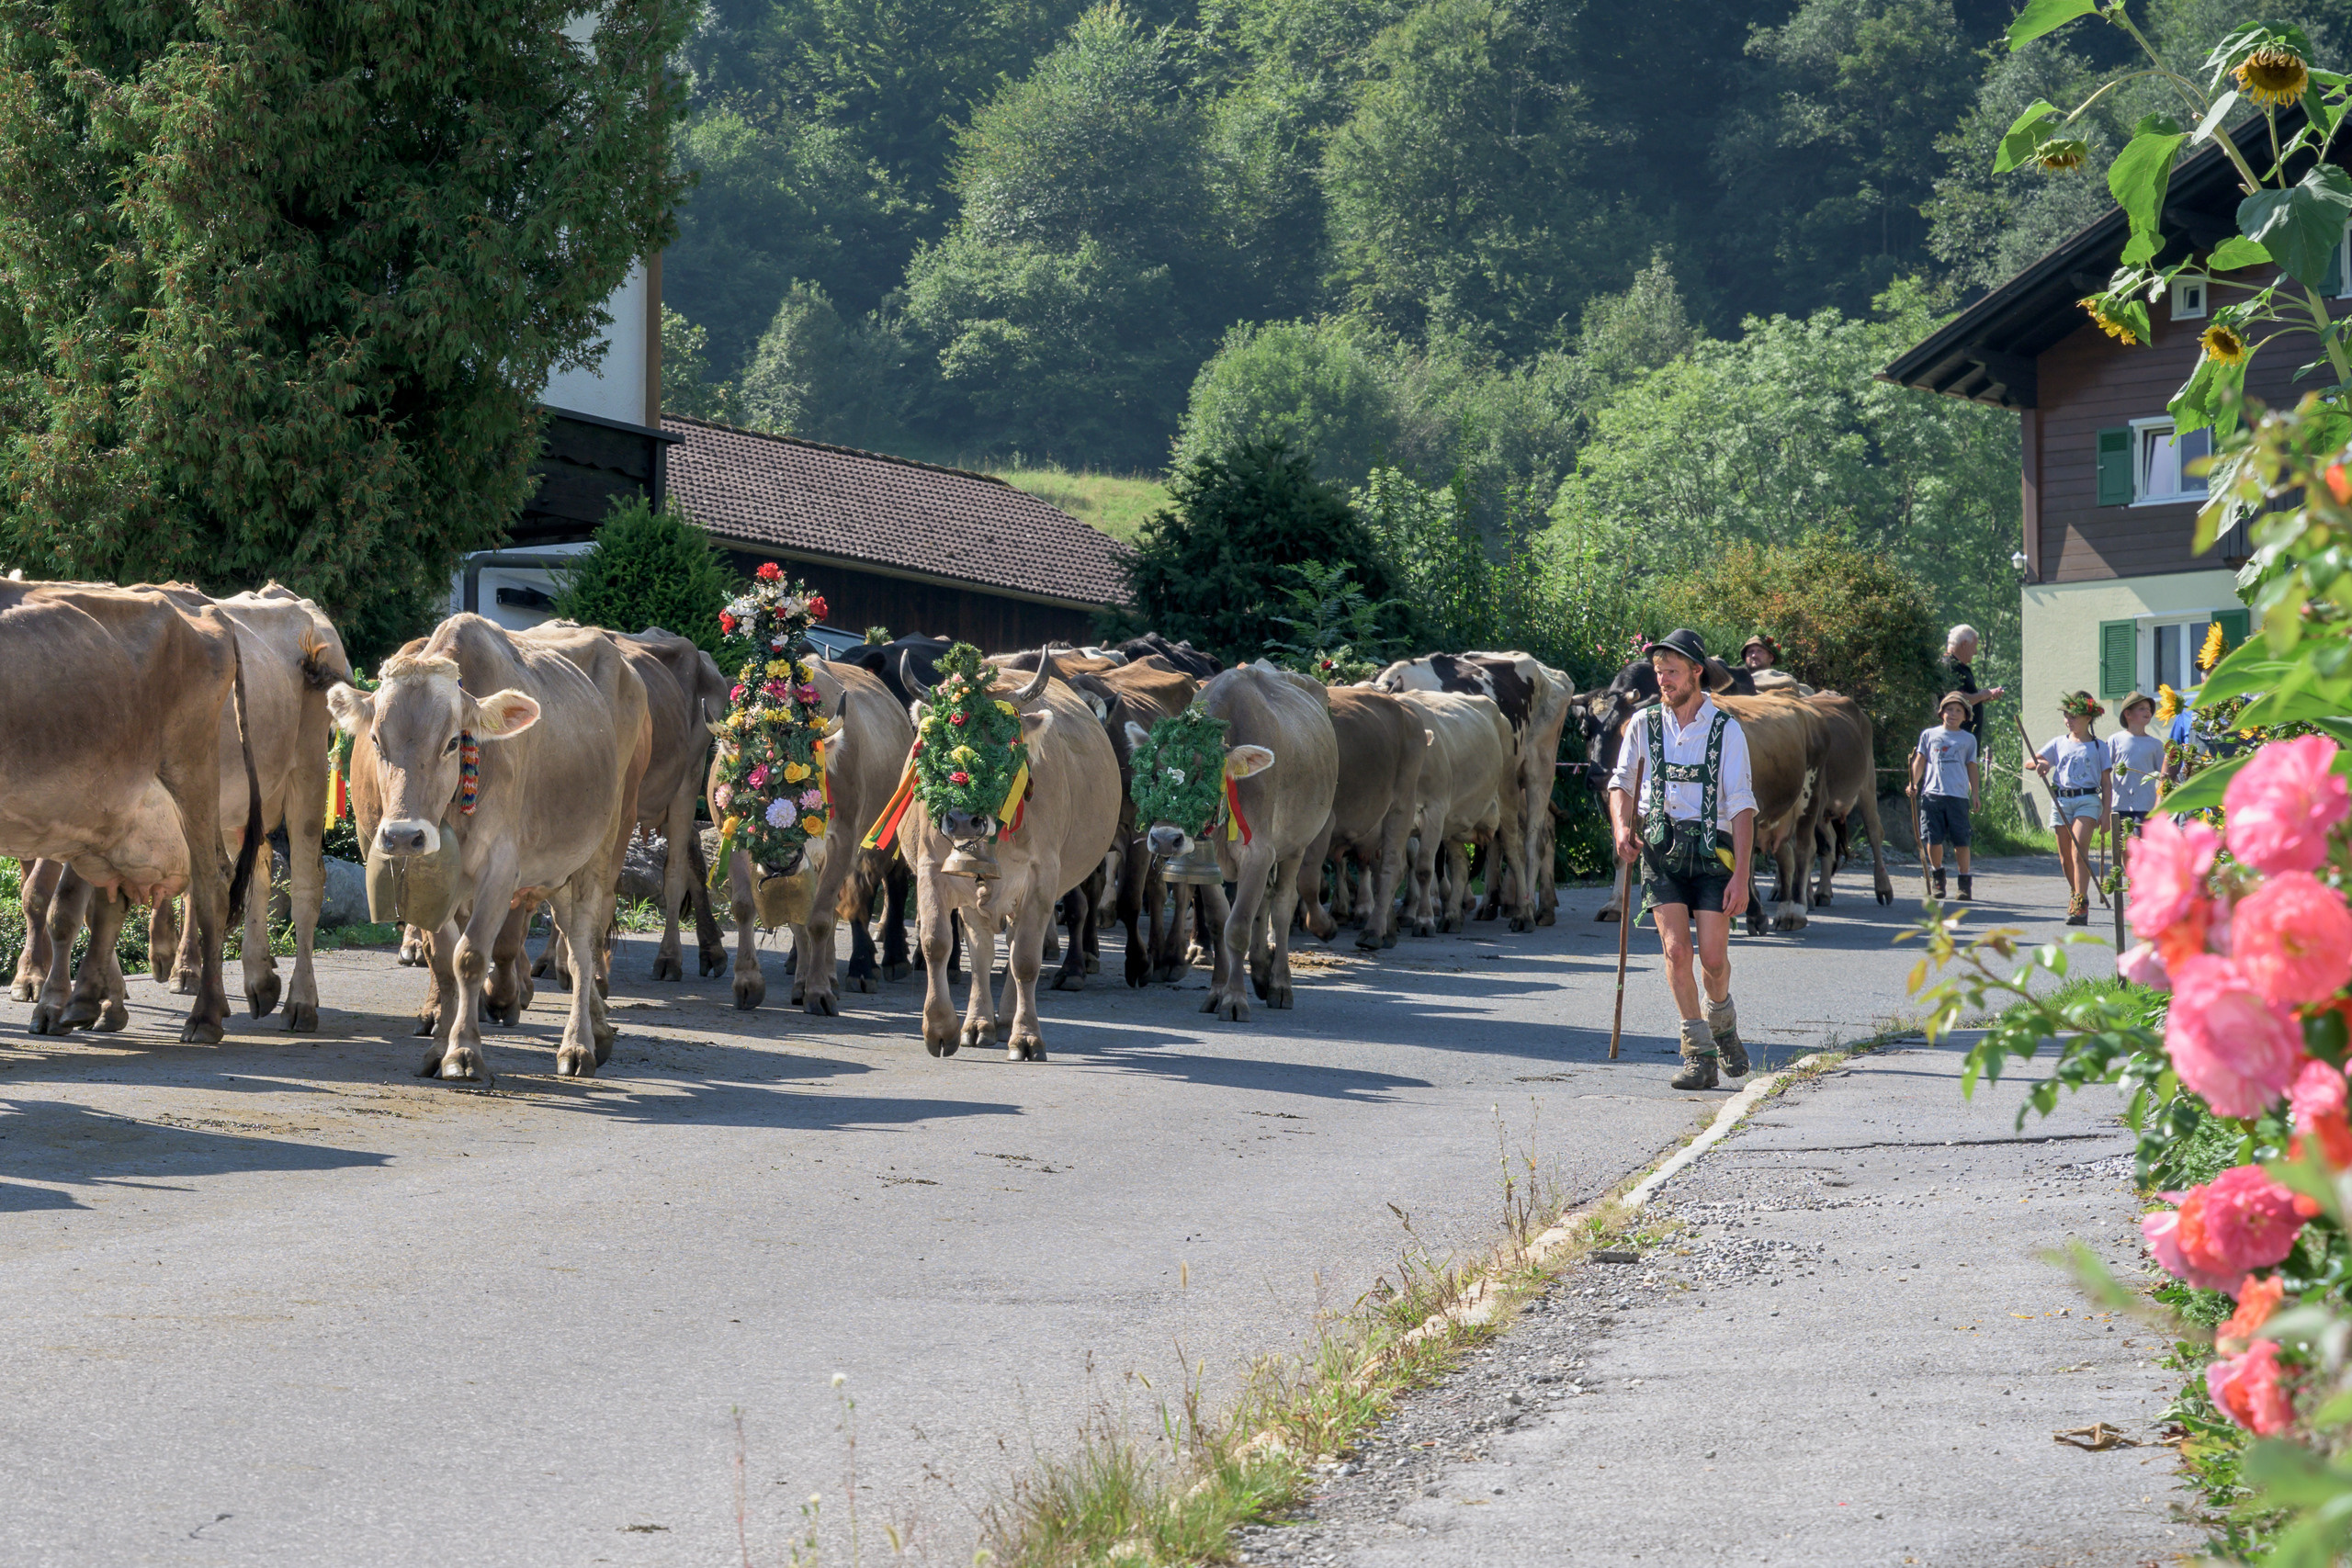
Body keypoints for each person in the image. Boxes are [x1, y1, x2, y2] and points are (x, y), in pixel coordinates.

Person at [1607, 628, 1758, 1090]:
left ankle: (1723, 1026)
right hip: (1661, 849)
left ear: (1697, 672)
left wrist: (1743, 879)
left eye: (1672, 672)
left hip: (1714, 854)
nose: (1664, 681)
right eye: (1659, 673)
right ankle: (1699, 1055)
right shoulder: (1643, 724)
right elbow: (1621, 783)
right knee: (1676, 953)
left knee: (1713, 959)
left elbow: (1742, 806)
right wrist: (1621, 828)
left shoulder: (1725, 729)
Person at [2029, 691, 2112, 925]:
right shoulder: (2058, 743)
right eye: (2066, 715)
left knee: (2078, 851)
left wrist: (2106, 813)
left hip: (2088, 800)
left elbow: (2106, 783)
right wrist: (2042, 763)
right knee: (2065, 858)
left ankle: (2080, 903)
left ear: (2088, 717)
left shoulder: (2099, 747)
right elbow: (2031, 761)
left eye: (2073, 715)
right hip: (2061, 801)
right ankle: (2077, 894)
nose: (2068, 719)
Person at [1908, 693, 1980, 902]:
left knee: (1962, 841)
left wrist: (1974, 792)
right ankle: (1938, 877)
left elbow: (1972, 766)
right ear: (1942, 712)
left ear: (1965, 716)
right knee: (1932, 838)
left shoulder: (1968, 739)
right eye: (1949, 709)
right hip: (1932, 794)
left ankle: (1964, 883)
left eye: (1958, 711)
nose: (1953, 714)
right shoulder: (1929, 735)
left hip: (1957, 796)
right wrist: (1913, 783)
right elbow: (1920, 761)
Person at [2109, 692, 2165, 833]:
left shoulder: (2155, 744)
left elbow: (2164, 774)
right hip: (2120, 804)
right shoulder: (2115, 740)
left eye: (2148, 709)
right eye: (2141, 708)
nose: (2148, 711)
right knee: (2123, 847)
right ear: (2128, 714)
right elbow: (2104, 770)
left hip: (2146, 804)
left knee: (2140, 843)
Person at [1942, 625, 2006, 745]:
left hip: (1965, 743)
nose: (1976, 652)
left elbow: (1967, 698)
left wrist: (1987, 696)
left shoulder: (1961, 667)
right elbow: (1958, 699)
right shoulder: (1949, 666)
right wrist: (1981, 695)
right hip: (1955, 745)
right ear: (1964, 644)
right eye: (1974, 647)